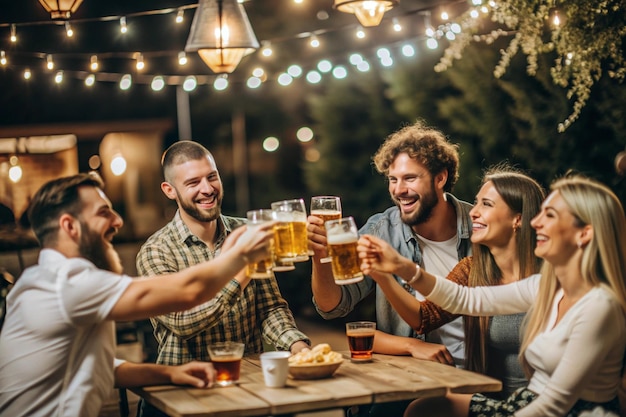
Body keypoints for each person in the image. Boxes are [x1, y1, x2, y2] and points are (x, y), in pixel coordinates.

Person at [0, 173, 274, 417]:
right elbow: (188, 292)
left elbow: (105, 367)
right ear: (70, 226)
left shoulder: (41, 281)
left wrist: (170, 373)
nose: (118, 221)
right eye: (104, 212)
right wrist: (241, 255)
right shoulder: (67, 283)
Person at [358, 174, 626, 417]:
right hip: (525, 402)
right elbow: (463, 299)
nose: (537, 222)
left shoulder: (599, 306)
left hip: (566, 411)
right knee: (424, 408)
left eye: (551, 215)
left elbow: (554, 405)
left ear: (584, 233)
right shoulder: (544, 285)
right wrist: (400, 267)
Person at [365, 166, 545, 398]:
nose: (473, 212)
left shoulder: (551, 276)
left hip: (547, 399)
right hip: (493, 398)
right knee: (421, 409)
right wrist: (384, 275)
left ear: (517, 219)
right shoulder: (473, 270)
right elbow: (425, 316)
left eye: (486, 205)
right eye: (476, 202)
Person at [309, 120, 472, 368]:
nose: (399, 190)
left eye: (409, 178)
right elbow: (333, 306)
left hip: (479, 372)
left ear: (440, 178)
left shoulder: (480, 227)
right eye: (392, 179)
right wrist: (320, 255)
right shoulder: (381, 230)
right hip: (414, 376)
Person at [136, 140, 309, 361]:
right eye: (193, 183)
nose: (207, 189)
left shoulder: (247, 230)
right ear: (170, 190)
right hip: (184, 386)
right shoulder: (156, 251)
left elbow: (269, 308)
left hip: (247, 377)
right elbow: (183, 322)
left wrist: (298, 346)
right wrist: (243, 270)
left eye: (211, 177)